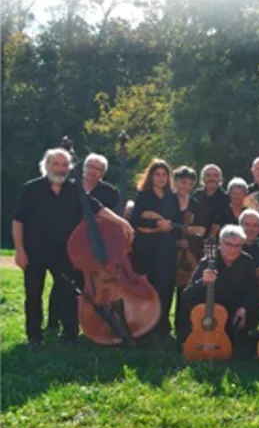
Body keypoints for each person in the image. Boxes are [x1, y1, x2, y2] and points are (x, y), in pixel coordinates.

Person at [13, 147, 134, 347]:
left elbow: (98, 208)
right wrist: (19, 250)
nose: (60, 169)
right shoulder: (31, 188)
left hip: (64, 252)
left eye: (64, 165)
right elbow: (18, 221)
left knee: (67, 293)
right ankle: (34, 336)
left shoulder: (73, 189)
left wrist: (122, 222)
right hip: (34, 251)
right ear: (46, 165)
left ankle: (69, 333)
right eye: (56, 164)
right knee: (33, 294)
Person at [46, 152, 122, 330]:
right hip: (67, 241)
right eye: (92, 167)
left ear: (103, 173)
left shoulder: (109, 193)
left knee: (85, 284)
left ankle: (81, 321)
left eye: (99, 169)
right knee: (61, 282)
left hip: (94, 246)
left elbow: (110, 220)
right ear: (84, 168)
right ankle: (53, 322)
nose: (94, 172)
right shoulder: (69, 186)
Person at [178, 225, 259, 353]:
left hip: (234, 309)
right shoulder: (207, 262)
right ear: (220, 244)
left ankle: (241, 341)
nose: (233, 249)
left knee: (253, 309)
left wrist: (244, 308)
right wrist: (202, 281)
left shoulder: (246, 261)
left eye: (238, 245)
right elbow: (187, 294)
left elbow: (253, 291)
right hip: (210, 312)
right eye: (229, 244)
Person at [130, 159, 182, 337]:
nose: (161, 178)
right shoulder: (144, 196)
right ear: (151, 176)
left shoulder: (173, 197)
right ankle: (144, 326)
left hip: (166, 249)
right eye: (157, 174)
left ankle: (162, 326)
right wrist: (156, 224)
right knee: (147, 287)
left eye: (164, 175)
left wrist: (171, 227)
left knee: (165, 287)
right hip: (146, 249)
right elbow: (135, 220)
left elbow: (177, 222)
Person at [172, 166, 202, 332]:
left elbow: (198, 229)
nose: (186, 187)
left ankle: (182, 327)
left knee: (185, 289)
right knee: (165, 288)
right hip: (169, 250)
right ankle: (161, 326)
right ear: (175, 181)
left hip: (189, 252)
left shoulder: (195, 204)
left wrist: (189, 242)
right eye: (183, 182)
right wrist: (177, 241)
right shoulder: (168, 200)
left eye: (190, 184)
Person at [192, 164, 228, 249]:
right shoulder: (196, 195)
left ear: (220, 179)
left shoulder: (225, 198)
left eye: (215, 176)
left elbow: (219, 221)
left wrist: (210, 240)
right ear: (203, 178)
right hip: (195, 240)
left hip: (218, 243)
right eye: (208, 175)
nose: (211, 178)